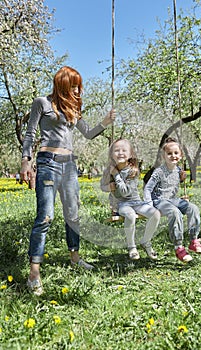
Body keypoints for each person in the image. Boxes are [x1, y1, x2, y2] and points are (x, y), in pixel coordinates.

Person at [20, 66, 116, 295]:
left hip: (70, 165)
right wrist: (26, 160)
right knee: (46, 216)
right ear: (62, 84)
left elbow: (89, 133)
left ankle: (75, 258)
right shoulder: (41, 103)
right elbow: (31, 133)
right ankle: (34, 274)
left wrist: (105, 122)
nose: (77, 89)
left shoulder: (74, 107)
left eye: (78, 85)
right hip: (48, 163)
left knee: (73, 214)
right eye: (73, 85)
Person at [143, 137, 201, 263]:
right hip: (159, 201)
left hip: (172, 199)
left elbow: (173, 187)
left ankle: (194, 240)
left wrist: (182, 181)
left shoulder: (178, 170)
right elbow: (147, 188)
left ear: (181, 155)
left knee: (193, 208)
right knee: (175, 212)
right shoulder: (158, 172)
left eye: (176, 153)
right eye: (169, 153)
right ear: (163, 156)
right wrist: (149, 204)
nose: (173, 156)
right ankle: (179, 247)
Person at [100, 139, 160, 260]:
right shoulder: (109, 171)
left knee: (156, 214)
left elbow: (125, 192)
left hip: (136, 202)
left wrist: (116, 174)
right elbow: (102, 186)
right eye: (116, 150)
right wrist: (108, 187)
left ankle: (146, 241)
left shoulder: (133, 171)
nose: (120, 153)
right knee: (130, 215)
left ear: (131, 154)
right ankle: (132, 246)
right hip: (121, 204)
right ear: (111, 154)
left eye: (124, 150)